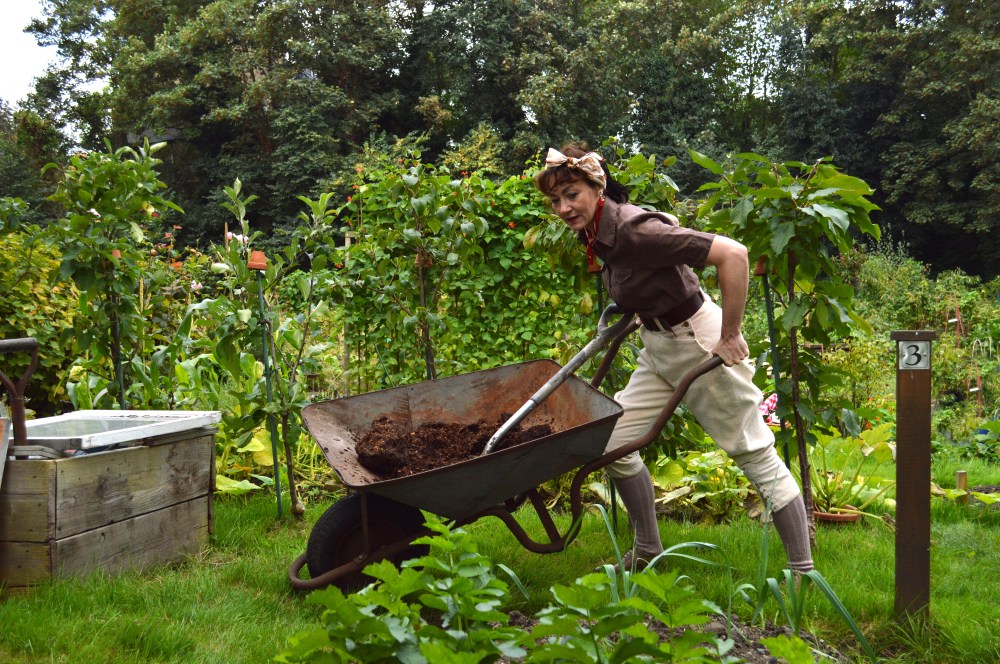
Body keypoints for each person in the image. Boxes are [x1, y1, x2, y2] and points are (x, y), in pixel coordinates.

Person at [535, 146, 813, 573]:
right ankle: (648, 548)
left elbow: (733, 254)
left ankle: (802, 572)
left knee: (752, 452)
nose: (563, 207)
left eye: (571, 194)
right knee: (612, 441)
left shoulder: (632, 229)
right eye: (556, 200)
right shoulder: (596, 230)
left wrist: (732, 334)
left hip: (698, 342)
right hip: (659, 345)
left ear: (597, 186)